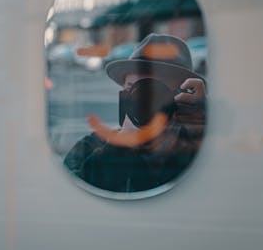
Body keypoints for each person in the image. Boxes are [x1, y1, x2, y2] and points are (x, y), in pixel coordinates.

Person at [63, 33, 207, 193]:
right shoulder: (90, 147)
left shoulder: (200, 152)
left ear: (182, 98)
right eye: (133, 89)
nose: (142, 101)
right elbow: (66, 197)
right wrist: (121, 146)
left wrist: (202, 134)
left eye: (155, 91)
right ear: (123, 95)